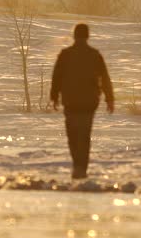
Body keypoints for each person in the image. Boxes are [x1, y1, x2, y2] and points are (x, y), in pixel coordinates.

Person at [49, 23, 114, 179]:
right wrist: (109, 99)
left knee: (72, 135)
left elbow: (56, 77)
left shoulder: (65, 54)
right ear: (87, 36)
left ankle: (77, 166)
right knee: (84, 135)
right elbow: (105, 78)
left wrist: (54, 96)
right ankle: (82, 168)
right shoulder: (94, 54)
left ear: (74, 36)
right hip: (89, 102)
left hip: (70, 101)